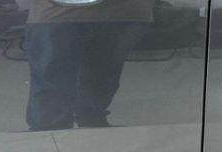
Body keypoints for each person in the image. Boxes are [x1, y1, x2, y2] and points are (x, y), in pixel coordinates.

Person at [25, 0, 154, 131]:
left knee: (55, 97)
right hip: (120, 12)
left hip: (59, 13)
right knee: (96, 86)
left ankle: (82, 130)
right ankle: (87, 129)